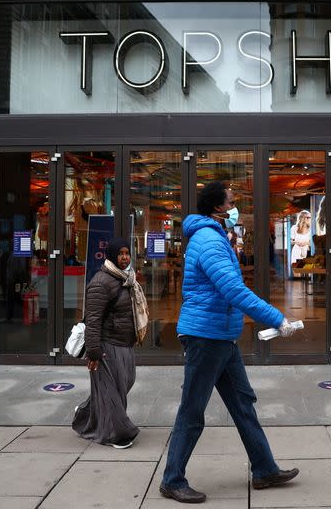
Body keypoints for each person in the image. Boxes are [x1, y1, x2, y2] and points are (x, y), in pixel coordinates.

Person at [159, 181, 301, 503]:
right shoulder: (209, 239)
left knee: (242, 405)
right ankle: (172, 479)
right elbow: (233, 291)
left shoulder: (216, 236)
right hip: (206, 338)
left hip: (221, 337)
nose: (236, 204)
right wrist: (277, 318)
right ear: (219, 207)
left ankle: (264, 469)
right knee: (192, 411)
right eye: (232, 200)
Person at [72, 237, 149, 449]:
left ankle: (84, 415)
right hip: (107, 344)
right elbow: (93, 319)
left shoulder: (127, 278)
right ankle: (119, 433)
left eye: (127, 253)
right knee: (112, 391)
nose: (125, 257)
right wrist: (94, 352)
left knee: (126, 382)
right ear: (112, 256)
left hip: (124, 342)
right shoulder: (101, 282)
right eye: (121, 253)